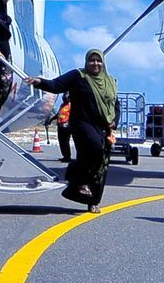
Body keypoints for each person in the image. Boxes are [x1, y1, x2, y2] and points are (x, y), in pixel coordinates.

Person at [28, 49, 117, 211]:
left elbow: (115, 105)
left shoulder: (110, 81)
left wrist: (114, 122)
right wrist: (39, 81)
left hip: (103, 127)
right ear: (86, 62)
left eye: (99, 61)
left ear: (103, 63)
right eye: (92, 60)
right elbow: (56, 85)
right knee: (95, 148)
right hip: (82, 124)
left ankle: (93, 200)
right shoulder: (78, 76)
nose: (95, 64)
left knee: (101, 163)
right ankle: (75, 176)